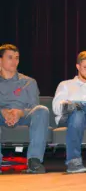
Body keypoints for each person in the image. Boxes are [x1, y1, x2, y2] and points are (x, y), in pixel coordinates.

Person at [0, 44, 49, 174]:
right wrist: (3, 111)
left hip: (23, 117)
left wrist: (19, 113)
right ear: (0, 60)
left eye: (17, 58)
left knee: (42, 110)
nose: (14, 61)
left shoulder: (29, 82)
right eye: (10, 57)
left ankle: (34, 161)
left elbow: (34, 107)